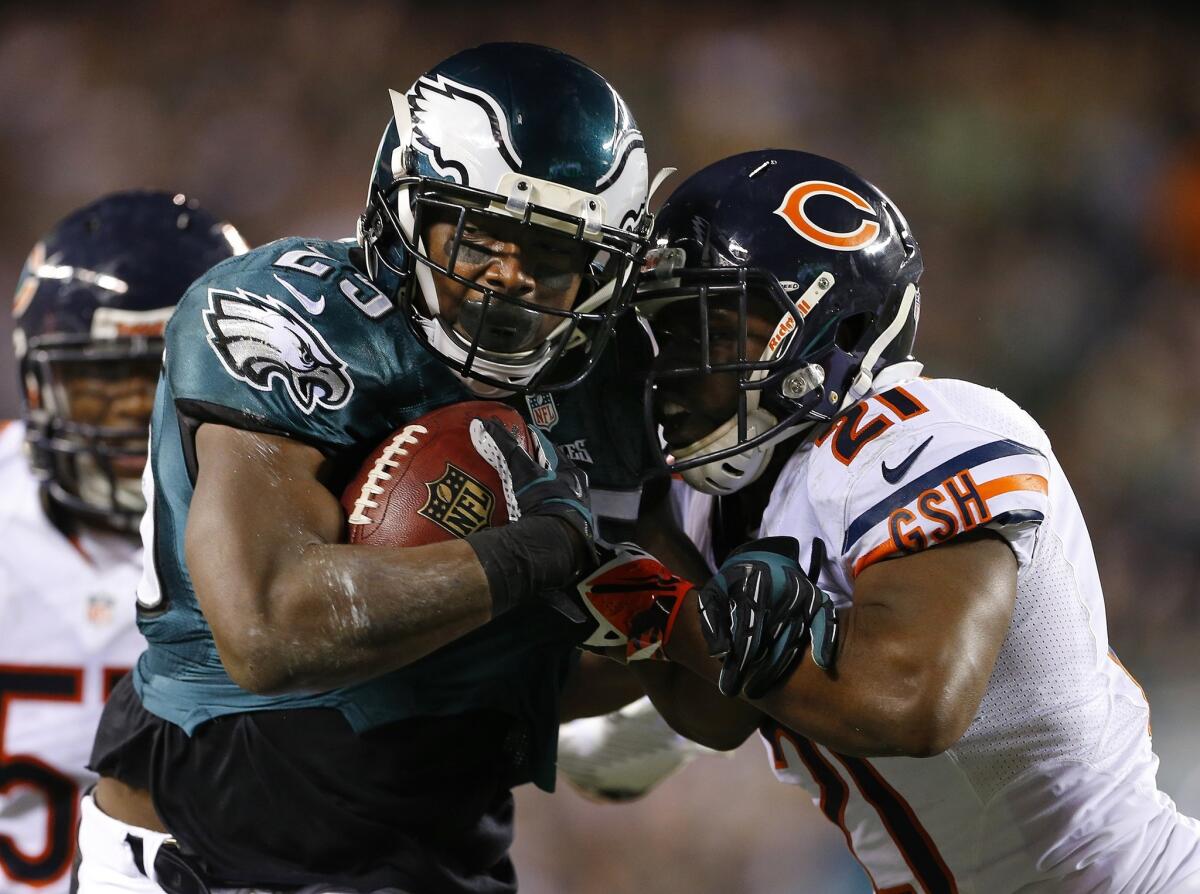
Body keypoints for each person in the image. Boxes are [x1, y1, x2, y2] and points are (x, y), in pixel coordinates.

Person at [80, 43, 663, 894]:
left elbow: (576, 664)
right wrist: (532, 557)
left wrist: (690, 621)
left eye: (552, 253)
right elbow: (270, 630)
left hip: (432, 846)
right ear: (405, 210)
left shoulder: (601, 384)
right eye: (481, 234)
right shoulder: (294, 311)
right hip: (201, 850)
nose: (511, 277)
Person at [598, 149, 1200, 892]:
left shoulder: (927, 433)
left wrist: (642, 588)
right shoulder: (704, 497)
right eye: (666, 333)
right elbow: (714, 711)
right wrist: (624, 524)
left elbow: (910, 698)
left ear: (836, 326)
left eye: (714, 330)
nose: (675, 365)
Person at [0, 190, 245, 894]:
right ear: (41, 388)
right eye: (104, 381)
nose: (140, 413)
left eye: (164, 379)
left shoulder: (298, 519)